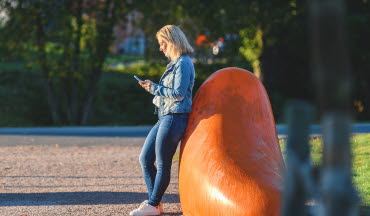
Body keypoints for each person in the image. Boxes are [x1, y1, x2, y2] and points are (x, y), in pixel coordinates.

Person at [129, 25, 195, 216]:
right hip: (165, 115)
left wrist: (153, 87)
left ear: (172, 42)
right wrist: (153, 87)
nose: (161, 48)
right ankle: (155, 205)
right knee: (145, 159)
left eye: (162, 44)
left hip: (175, 117)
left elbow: (179, 94)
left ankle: (153, 204)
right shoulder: (175, 64)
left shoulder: (183, 63)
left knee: (163, 163)